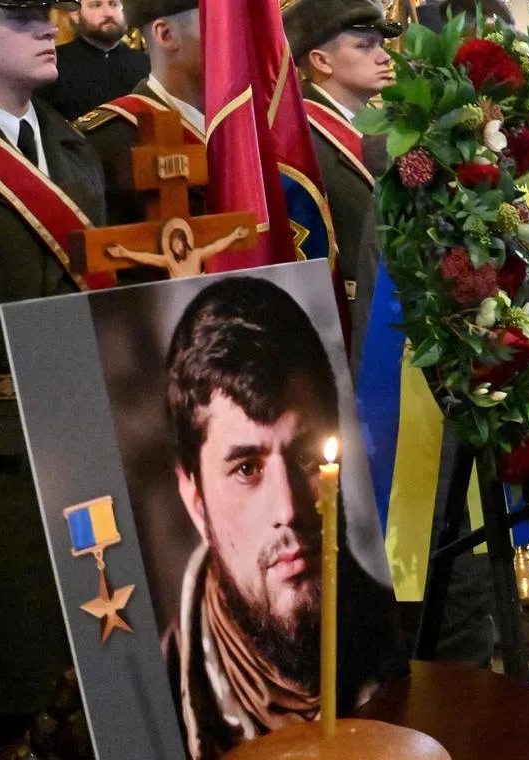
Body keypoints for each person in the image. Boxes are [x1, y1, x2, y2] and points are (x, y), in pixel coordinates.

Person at [163, 276, 405, 760]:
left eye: (306, 458)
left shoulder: (404, 642)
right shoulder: (160, 698)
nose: (288, 509)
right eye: (246, 469)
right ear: (195, 499)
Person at [0, 0, 107, 754]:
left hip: (83, 446)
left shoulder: (72, 145)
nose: (48, 28)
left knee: (97, 673)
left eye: (45, 12)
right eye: (19, 15)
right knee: (2, 703)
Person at [283, 0, 402, 372]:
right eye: (364, 46)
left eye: (381, 44)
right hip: (345, 334)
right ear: (321, 61)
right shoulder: (300, 143)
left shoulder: (386, 126)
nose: (384, 57)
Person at [74, 0, 203, 225]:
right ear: (166, 35)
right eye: (218, 25)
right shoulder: (105, 143)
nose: (238, 38)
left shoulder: (255, 124)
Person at [37, 0, 149, 120]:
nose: (108, 13)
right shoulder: (53, 63)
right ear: (75, 14)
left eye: (114, 4)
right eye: (96, 5)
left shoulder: (146, 64)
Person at [105, 218, 248, 277]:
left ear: (185, 241)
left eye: (178, 243)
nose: (176, 248)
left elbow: (216, 247)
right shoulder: (170, 260)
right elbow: (148, 258)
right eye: (173, 245)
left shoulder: (197, 255)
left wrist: (234, 236)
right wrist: (126, 253)